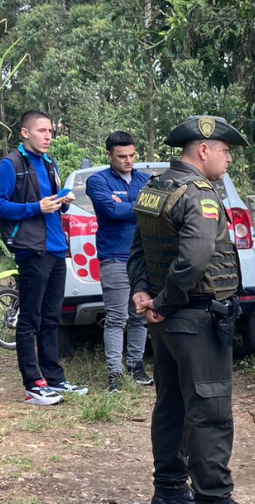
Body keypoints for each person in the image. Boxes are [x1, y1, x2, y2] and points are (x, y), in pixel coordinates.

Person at [129, 115, 255, 504]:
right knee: (209, 407)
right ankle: (213, 501)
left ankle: (169, 489)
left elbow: (139, 247)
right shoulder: (199, 193)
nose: (228, 160)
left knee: (170, 404)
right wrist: (163, 300)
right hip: (196, 317)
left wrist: (143, 294)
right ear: (203, 150)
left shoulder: (155, 187)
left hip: (165, 321)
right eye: (225, 151)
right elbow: (195, 259)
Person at [0, 110, 89, 405]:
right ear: (25, 132)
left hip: (57, 248)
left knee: (51, 317)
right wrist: (36, 207)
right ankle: (33, 384)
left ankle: (55, 379)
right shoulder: (11, 164)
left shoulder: (49, 162)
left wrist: (63, 202)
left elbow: (52, 204)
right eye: (42, 131)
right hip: (31, 248)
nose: (48, 137)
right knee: (30, 318)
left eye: (50, 132)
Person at [86, 131, 154, 393]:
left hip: (143, 258)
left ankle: (135, 366)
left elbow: (155, 211)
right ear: (109, 155)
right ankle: (114, 373)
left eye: (132, 155)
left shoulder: (144, 179)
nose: (128, 161)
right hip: (114, 257)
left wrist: (126, 204)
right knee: (116, 317)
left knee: (140, 316)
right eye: (122, 156)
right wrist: (139, 206)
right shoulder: (97, 181)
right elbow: (111, 212)